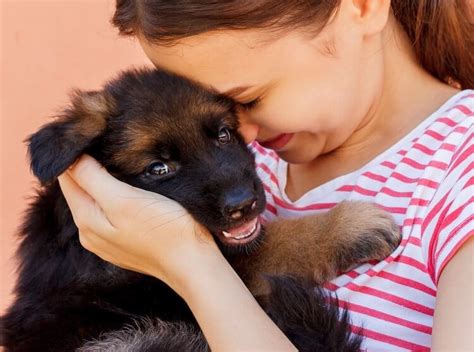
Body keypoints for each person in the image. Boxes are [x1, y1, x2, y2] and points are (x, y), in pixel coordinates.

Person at [57, 0, 473, 350]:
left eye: (249, 98)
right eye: (222, 115)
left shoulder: (459, 167)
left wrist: (191, 263)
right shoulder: (261, 159)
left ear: (362, 7)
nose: (244, 134)